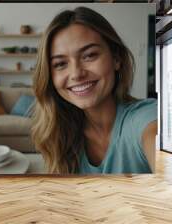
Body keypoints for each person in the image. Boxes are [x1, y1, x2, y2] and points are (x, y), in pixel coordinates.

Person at [31, 6, 157, 174]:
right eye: (60, 64)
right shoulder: (60, 134)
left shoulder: (146, 118)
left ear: (116, 58)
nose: (76, 74)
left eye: (89, 55)